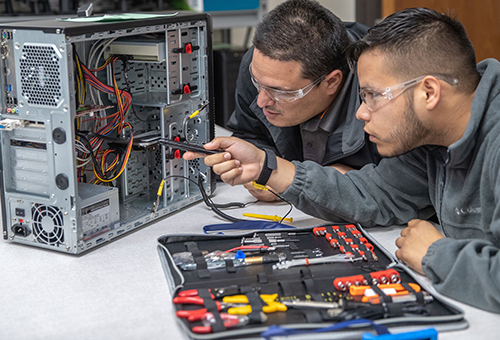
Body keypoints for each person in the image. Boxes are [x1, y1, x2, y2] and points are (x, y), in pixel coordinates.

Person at [185, 8, 500, 313]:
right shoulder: (431, 138)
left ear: (429, 92)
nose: (361, 113)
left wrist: (437, 255)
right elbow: (374, 194)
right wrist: (268, 168)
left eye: (373, 96)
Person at [225, 0, 381, 200]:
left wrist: (340, 180)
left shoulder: (383, 90)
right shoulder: (264, 67)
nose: (262, 100)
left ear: (331, 82)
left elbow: (404, 185)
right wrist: (264, 169)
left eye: (281, 92)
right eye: (258, 82)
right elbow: (250, 133)